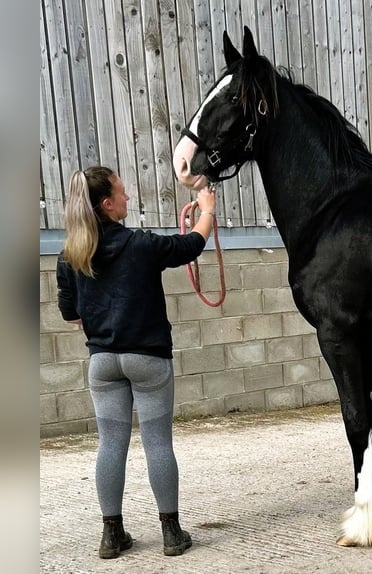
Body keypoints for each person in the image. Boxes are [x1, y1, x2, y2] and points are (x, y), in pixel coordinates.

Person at [56, 166, 217, 559]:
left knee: (110, 446)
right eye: (122, 194)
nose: (128, 199)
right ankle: (172, 534)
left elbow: (71, 315)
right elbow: (189, 246)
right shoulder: (140, 244)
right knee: (158, 443)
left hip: (103, 364)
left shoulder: (69, 256)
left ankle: (112, 536)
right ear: (108, 205)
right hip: (147, 360)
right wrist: (208, 210)